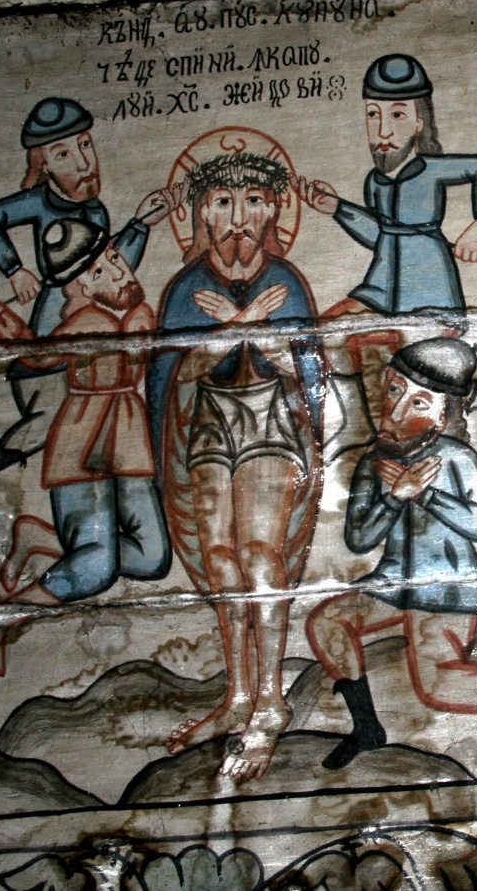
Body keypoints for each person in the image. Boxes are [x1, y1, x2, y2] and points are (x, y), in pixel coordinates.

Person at [307, 339, 477, 774]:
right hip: (393, 582)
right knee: (328, 622)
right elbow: (359, 538)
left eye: (417, 402)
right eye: (393, 391)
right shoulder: (374, 463)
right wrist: (394, 497)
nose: (396, 410)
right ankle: (366, 728)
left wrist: (424, 493)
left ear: (443, 413)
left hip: (447, 586)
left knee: (437, 686)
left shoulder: (455, 457)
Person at [148, 152, 324, 783]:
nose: (239, 217)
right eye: (223, 202)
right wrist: (244, 325)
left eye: (253, 201)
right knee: (220, 556)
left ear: (273, 209)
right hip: (206, 423)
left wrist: (238, 329)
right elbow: (172, 374)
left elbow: (304, 373)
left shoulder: (288, 282)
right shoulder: (185, 290)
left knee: (258, 552)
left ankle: (271, 701)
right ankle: (238, 696)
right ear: (202, 213)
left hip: (272, 423)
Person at [0, 97, 183, 519]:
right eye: (63, 154)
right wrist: (14, 270)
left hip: (86, 341)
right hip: (50, 335)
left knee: (89, 423)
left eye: (85, 145)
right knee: (53, 419)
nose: (83, 162)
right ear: (42, 164)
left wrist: (140, 225)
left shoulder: (95, 210)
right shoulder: (40, 203)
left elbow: (111, 269)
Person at [0, 229, 169, 609]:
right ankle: (2, 617)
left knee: (152, 559)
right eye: (98, 273)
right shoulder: (88, 321)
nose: (119, 273)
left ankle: (40, 539)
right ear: (80, 288)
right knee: (96, 568)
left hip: (129, 439)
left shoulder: (139, 313)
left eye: (115, 259)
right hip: (83, 442)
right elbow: (36, 357)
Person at [297, 54, 477, 317]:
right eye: (373, 114)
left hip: (430, 288)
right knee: (325, 324)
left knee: (410, 339)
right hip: (381, 286)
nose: (383, 131)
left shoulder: (430, 170)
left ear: (419, 123)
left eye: (397, 114)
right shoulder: (375, 181)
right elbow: (379, 235)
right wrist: (337, 208)